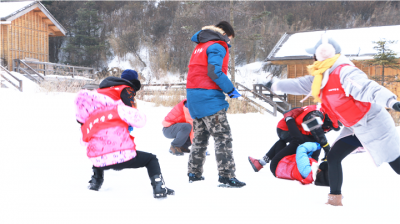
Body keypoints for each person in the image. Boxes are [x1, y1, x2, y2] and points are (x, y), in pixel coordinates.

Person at [271, 34, 400, 206]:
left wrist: (392, 101)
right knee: (333, 158)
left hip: (374, 124)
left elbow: (369, 88)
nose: (313, 58)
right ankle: (334, 201)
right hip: (354, 128)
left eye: (314, 55)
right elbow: (298, 84)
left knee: (396, 163)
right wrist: (274, 85)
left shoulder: (345, 72)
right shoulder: (322, 77)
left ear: (322, 54)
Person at [74, 69, 174, 198]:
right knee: (151, 159)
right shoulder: (120, 102)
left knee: (98, 147)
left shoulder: (92, 114)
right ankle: (159, 187)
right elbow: (139, 119)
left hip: (99, 161)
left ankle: (95, 182)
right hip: (123, 153)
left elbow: (83, 140)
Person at [186, 21, 245, 188]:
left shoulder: (200, 46)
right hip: (209, 98)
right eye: (230, 39)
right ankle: (227, 175)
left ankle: (194, 172)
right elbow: (214, 71)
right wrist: (231, 90)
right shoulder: (218, 45)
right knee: (222, 137)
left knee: (200, 137)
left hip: (194, 97)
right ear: (224, 34)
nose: (229, 43)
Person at [248, 105, 338, 177]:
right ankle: (289, 117)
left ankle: (260, 163)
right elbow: (317, 131)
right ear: (328, 119)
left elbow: (318, 135)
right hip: (285, 128)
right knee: (301, 142)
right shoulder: (317, 113)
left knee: (287, 144)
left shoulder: (320, 112)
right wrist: (326, 148)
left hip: (294, 129)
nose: (326, 130)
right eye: (327, 128)